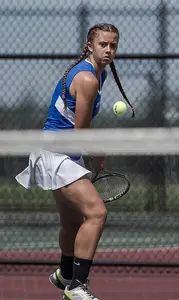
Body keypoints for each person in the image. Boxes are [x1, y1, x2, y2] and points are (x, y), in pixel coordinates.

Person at [15, 23, 134, 300]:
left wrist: (88, 152)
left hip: (63, 150)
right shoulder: (88, 79)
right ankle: (76, 286)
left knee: (71, 222)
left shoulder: (97, 74)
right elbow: (80, 133)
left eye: (113, 45)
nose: (108, 50)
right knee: (96, 214)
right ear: (90, 45)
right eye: (103, 44)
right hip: (56, 154)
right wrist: (97, 151)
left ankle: (65, 274)